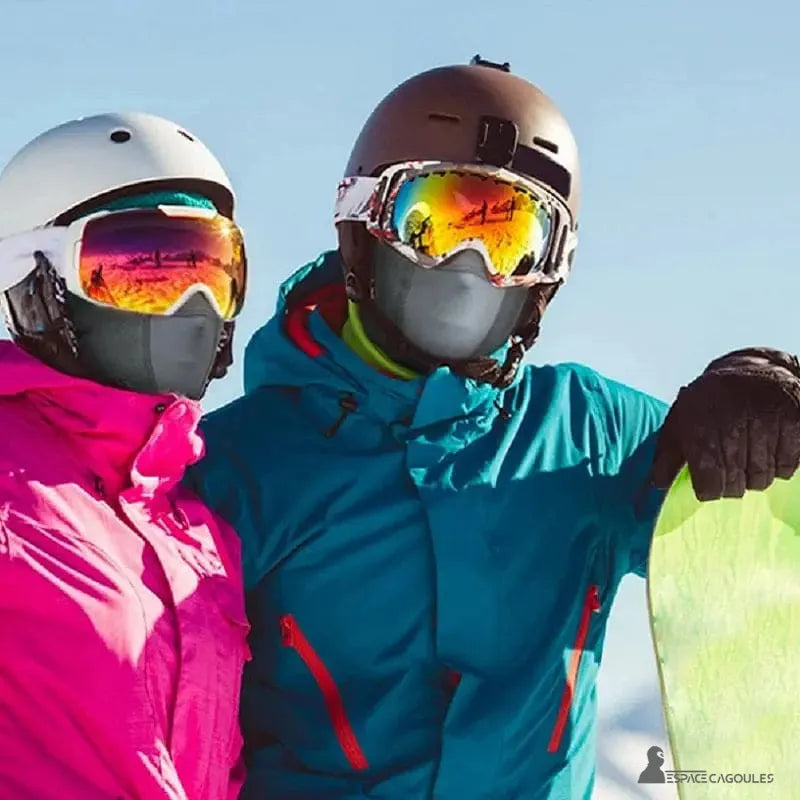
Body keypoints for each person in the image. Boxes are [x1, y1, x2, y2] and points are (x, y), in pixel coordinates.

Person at [186, 57, 800, 799]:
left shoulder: (588, 435)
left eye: (511, 236)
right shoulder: (232, 468)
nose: (470, 262)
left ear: (550, 270)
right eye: (438, 219)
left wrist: (763, 394)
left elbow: (751, 513)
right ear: (363, 223)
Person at [0, 112, 251, 800]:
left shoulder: (200, 533)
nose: (191, 303)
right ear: (35, 280)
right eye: (142, 268)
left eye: (211, 268)